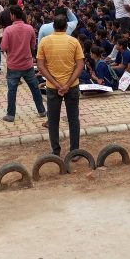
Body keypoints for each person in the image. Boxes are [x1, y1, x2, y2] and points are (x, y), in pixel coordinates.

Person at [36, 15, 85, 157]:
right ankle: (74, 151)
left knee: (53, 119)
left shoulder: (45, 41)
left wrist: (56, 83)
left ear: (53, 27)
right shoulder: (74, 41)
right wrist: (68, 84)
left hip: (52, 86)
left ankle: (56, 151)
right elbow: (80, 64)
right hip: (72, 85)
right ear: (65, 27)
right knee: (73, 119)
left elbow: (40, 65)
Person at [0, 5, 47, 122]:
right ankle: (41, 110)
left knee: (12, 91)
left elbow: (3, 46)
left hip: (13, 65)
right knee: (35, 88)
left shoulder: (8, 30)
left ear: (13, 16)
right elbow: (33, 45)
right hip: (27, 64)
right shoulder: (29, 28)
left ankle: (10, 115)